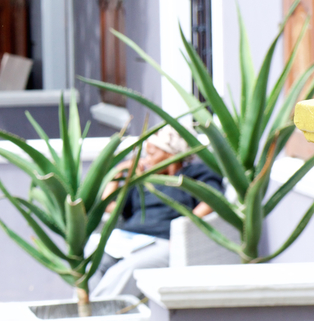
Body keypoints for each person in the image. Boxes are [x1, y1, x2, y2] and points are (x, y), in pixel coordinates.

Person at [89, 126, 223, 299]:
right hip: (130, 240)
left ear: (171, 154)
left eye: (152, 154)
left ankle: (97, 315)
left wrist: (186, 228)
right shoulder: (143, 180)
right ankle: (87, 310)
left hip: (164, 241)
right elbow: (108, 206)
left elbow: (212, 198)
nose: (147, 160)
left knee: (125, 271)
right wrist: (119, 171)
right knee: (94, 262)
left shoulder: (192, 174)